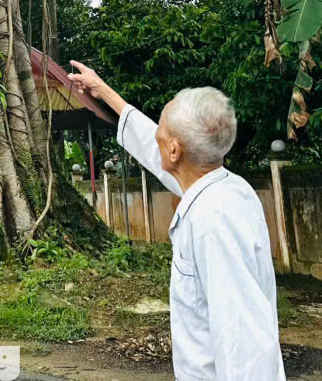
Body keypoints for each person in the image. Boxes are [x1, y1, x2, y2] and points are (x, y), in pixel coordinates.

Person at [67, 61, 285, 381]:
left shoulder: (214, 222)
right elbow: (149, 145)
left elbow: (243, 342)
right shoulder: (222, 185)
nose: (155, 131)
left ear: (174, 150)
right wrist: (103, 91)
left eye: (162, 128)